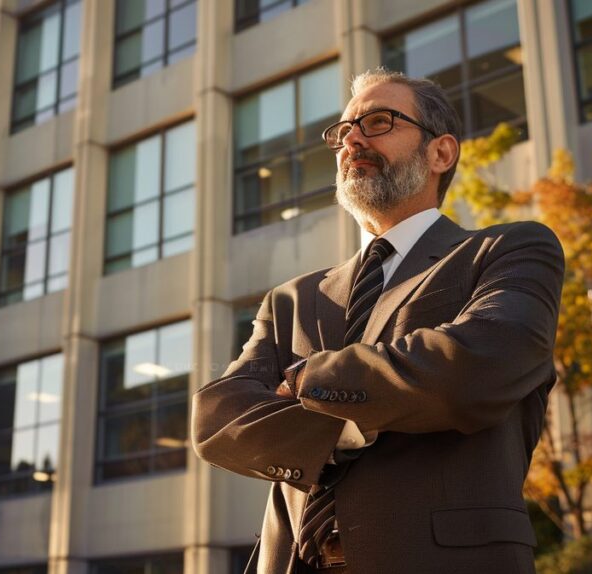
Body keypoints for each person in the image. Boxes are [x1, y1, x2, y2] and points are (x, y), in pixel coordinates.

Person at [191, 68, 564, 574]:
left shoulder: (507, 250)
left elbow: (477, 365)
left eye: (379, 122)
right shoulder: (291, 300)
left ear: (441, 153)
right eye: (343, 132)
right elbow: (217, 420)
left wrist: (305, 380)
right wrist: (365, 418)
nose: (354, 141)